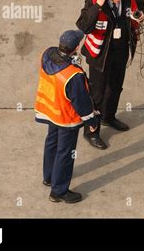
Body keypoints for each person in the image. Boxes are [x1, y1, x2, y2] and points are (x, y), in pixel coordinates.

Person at [76, 0, 144, 149]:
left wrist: (141, 15)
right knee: (97, 93)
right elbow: (83, 25)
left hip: (121, 50)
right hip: (100, 53)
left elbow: (142, 9)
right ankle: (91, 131)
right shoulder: (93, 0)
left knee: (115, 87)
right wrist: (97, 6)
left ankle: (109, 116)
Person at [34, 30, 99, 203]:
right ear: (76, 47)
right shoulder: (73, 75)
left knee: (51, 143)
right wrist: (92, 121)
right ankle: (59, 191)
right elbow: (82, 104)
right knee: (65, 153)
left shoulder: (47, 54)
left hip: (49, 110)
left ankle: (48, 177)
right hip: (65, 118)